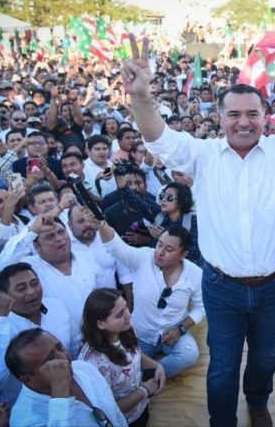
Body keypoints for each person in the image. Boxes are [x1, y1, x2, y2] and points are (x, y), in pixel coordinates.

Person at [121, 33, 275, 426]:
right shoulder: (202, 156)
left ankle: (258, 402)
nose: (244, 122)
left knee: (266, 356)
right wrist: (141, 97)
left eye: (252, 114)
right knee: (222, 364)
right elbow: (157, 137)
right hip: (221, 287)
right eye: (234, 114)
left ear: (266, 117)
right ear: (220, 118)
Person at [96, 218, 204, 378]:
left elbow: (201, 307)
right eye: (159, 244)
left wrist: (181, 329)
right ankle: (145, 374)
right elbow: (114, 246)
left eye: (169, 249)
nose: (160, 252)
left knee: (189, 354)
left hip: (173, 331)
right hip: (140, 334)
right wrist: (101, 224)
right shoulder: (143, 258)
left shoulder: (195, 274)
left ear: (183, 254)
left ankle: (146, 376)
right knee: (122, 362)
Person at [0, 263, 77, 405]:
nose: (31, 292)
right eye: (21, 288)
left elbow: (75, 347)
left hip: (72, 397)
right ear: (5, 295)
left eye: (34, 284)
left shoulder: (56, 306)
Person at [0, 215, 98, 332]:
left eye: (61, 232)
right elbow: (2, 265)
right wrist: (32, 231)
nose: (59, 238)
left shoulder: (86, 257)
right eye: (50, 236)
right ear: (37, 246)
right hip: (59, 342)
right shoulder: (30, 268)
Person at [5, 328, 128, 427]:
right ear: (28, 380)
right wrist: (59, 391)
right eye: (51, 359)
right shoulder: (25, 420)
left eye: (60, 347)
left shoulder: (84, 368)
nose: (64, 358)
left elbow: (115, 414)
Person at [79, 288, 165, 426]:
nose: (128, 315)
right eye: (119, 315)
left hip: (140, 408)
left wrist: (157, 366)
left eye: (126, 308)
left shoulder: (125, 328)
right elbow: (107, 410)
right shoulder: (95, 363)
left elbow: (134, 355)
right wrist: (144, 391)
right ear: (100, 324)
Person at [148, 182, 203, 267]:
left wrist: (163, 237)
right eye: (163, 195)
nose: (164, 199)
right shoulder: (159, 215)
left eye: (170, 197)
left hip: (181, 271)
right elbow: (135, 202)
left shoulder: (192, 221)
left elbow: (194, 253)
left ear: (181, 202)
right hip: (156, 267)